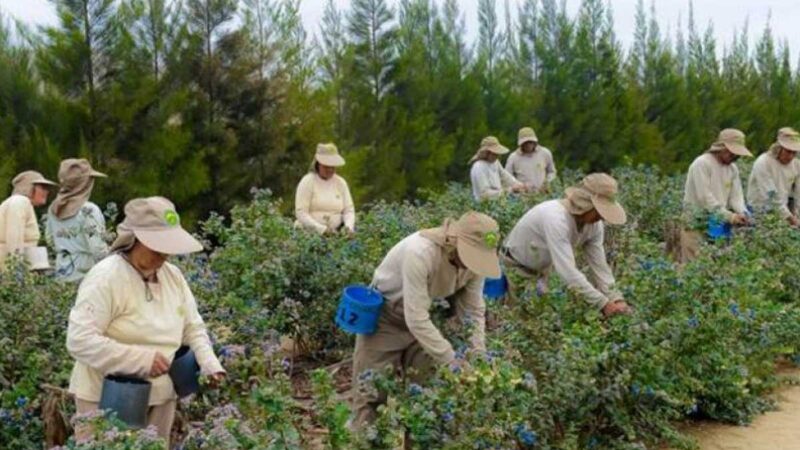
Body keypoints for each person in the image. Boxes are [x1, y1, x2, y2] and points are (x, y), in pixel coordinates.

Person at [66, 197, 225, 446]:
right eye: (156, 248)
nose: (164, 256)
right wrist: (142, 360)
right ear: (135, 240)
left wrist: (209, 364)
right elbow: (79, 340)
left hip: (161, 397)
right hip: (106, 397)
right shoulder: (106, 277)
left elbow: (192, 327)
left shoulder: (173, 276)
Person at [351, 211, 501, 427]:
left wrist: (478, 355)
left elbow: (473, 311)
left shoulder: (474, 267)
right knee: (371, 395)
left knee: (425, 398)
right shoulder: (421, 252)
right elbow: (416, 318)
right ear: (455, 242)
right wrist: (451, 359)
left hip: (426, 319)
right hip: (387, 317)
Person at [502, 173, 632, 317]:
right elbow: (567, 272)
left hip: (542, 270)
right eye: (599, 211)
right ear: (586, 204)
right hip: (516, 266)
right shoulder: (556, 218)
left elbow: (600, 267)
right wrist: (603, 304)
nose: (601, 217)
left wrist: (616, 298)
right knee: (519, 318)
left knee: (543, 318)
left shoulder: (594, 225)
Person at [680, 129, 752, 262]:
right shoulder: (702, 164)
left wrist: (743, 213)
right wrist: (730, 216)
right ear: (722, 147)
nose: (735, 157)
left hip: (718, 225)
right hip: (696, 225)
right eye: (733, 153)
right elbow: (704, 198)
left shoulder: (732, 169)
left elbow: (736, 197)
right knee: (694, 269)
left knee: (716, 268)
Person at [46, 159, 109, 282]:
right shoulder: (88, 210)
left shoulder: (54, 208)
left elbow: (49, 239)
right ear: (85, 183)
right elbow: (98, 249)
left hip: (62, 271)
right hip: (86, 275)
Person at [295, 143, 356, 235]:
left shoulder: (341, 183)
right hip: (309, 235)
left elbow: (348, 210)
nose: (330, 170)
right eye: (326, 166)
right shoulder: (308, 182)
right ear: (318, 164)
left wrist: (348, 227)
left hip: (336, 234)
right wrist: (322, 230)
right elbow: (301, 213)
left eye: (332, 167)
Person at [0, 171, 58, 268]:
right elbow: (14, 239)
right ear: (29, 188)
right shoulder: (19, 202)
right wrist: (16, 271)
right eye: (43, 187)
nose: (47, 191)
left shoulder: (22, 204)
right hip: (6, 270)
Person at [747, 127, 800, 226]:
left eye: (794, 152)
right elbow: (770, 196)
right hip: (759, 211)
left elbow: (798, 194)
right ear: (779, 147)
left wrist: (797, 216)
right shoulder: (763, 162)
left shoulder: (796, 165)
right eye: (788, 151)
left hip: (782, 212)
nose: (791, 156)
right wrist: (790, 218)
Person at [469, 136, 525, 201]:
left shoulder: (495, 162)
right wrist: (510, 190)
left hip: (498, 201)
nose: (497, 156)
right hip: (483, 205)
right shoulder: (479, 167)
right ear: (486, 153)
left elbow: (505, 176)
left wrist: (519, 184)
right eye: (494, 153)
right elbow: (484, 194)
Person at [505, 127, 557, 193]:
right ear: (521, 144)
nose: (528, 145)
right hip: (522, 196)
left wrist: (548, 183)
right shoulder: (513, 157)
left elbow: (552, 171)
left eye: (530, 142)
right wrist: (516, 187)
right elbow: (506, 177)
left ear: (534, 142)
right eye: (525, 142)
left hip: (543, 194)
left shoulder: (545, 153)